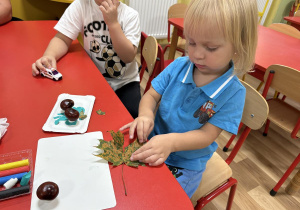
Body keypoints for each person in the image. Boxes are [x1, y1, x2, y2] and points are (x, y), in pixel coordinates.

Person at [120, 0, 258, 198]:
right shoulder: (179, 66)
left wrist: (172, 143)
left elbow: (206, 136)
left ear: (239, 46)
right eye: (191, 42)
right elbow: (151, 95)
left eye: (210, 48)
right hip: (152, 142)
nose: (196, 54)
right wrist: (145, 115)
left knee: (162, 200)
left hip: (186, 163)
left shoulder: (234, 93)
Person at [32, 0, 141, 118]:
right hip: (93, 77)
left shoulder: (131, 15)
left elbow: (128, 57)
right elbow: (63, 38)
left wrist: (113, 23)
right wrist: (49, 55)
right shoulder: (81, 6)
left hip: (125, 82)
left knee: (133, 117)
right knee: (88, 116)